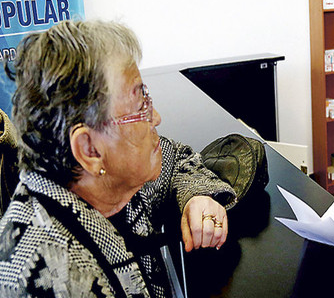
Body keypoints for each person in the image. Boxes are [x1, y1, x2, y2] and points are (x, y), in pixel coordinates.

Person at [0, 20, 237, 297]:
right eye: (141, 106)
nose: (157, 117)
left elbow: (179, 158)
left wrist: (196, 196)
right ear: (89, 149)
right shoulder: (59, 280)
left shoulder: (102, 179)